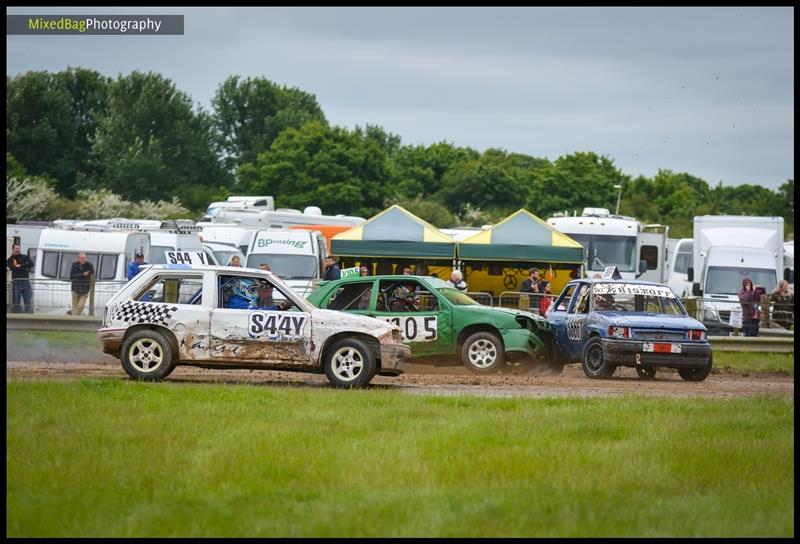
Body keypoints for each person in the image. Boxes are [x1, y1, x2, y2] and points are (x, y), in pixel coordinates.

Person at [225, 277, 292, 311]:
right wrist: (280, 306)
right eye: (253, 289)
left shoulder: (241, 300)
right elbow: (260, 311)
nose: (256, 292)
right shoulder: (237, 303)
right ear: (243, 288)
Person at [6, 243, 34, 313]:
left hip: (25, 281)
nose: (18, 250)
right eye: (16, 248)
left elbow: (31, 264)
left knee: (28, 301)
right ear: (13, 249)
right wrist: (24, 266)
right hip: (16, 282)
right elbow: (13, 268)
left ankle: (28, 317)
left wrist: (21, 265)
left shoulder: (25, 257)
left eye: (19, 248)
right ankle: (16, 317)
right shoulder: (9, 260)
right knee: (16, 301)